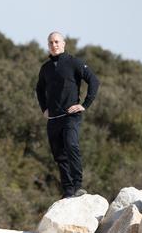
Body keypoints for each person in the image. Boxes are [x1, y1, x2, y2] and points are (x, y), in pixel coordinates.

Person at [36, 31, 100, 198]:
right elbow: (39, 89)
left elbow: (93, 80)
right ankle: (68, 190)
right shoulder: (46, 68)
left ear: (63, 44)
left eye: (57, 42)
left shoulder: (74, 62)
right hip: (53, 119)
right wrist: (44, 108)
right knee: (59, 156)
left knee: (71, 145)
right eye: (51, 42)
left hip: (71, 115)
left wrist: (84, 105)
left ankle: (78, 185)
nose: (54, 45)